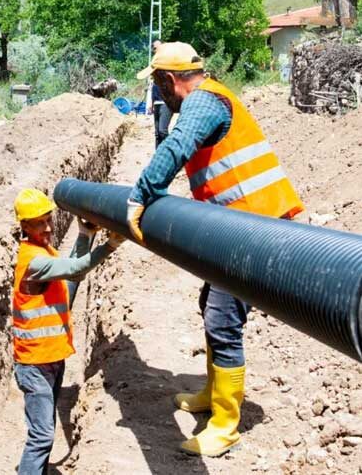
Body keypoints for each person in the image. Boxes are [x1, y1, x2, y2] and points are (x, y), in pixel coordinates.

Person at [125, 42, 303, 457]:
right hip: (234, 225)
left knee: (223, 319)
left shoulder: (205, 104)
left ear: (169, 81)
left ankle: (225, 423)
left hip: (254, 228)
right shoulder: (208, 97)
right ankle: (211, 392)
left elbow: (177, 146)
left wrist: (140, 194)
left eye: (156, 83)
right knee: (211, 303)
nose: (155, 93)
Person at [12, 188, 124, 475]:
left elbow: (70, 282)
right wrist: (108, 246)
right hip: (35, 365)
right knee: (41, 436)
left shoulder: (44, 251)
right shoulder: (33, 261)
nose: (48, 227)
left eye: (49, 219)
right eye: (39, 223)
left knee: (45, 429)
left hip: (52, 359)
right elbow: (74, 269)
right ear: (24, 226)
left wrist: (85, 236)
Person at [148, 40, 172, 148]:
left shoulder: (169, 61)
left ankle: (171, 152)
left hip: (166, 102)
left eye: (158, 47)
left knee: (163, 131)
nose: (156, 50)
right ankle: (158, 156)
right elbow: (152, 85)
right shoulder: (154, 63)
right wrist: (151, 102)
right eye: (154, 48)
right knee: (157, 133)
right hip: (157, 101)